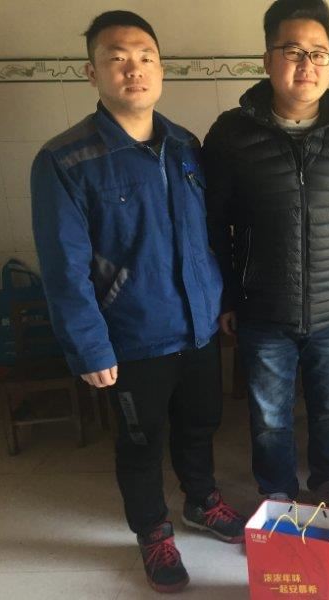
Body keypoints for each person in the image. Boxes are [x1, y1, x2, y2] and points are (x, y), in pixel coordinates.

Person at [30, 11, 245, 593]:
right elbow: (64, 267)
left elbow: (208, 236)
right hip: (130, 335)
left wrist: (221, 300)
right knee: (141, 439)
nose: (134, 69)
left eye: (146, 57)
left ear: (162, 68)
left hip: (197, 326)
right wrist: (89, 346)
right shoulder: (65, 159)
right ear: (92, 72)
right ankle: (153, 530)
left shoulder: (185, 146)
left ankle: (201, 501)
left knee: (200, 424)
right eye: (117, 58)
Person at [203, 0, 329, 509]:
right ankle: (277, 492)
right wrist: (227, 297)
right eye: (293, 51)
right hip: (262, 309)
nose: (307, 64)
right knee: (269, 416)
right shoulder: (231, 134)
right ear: (267, 59)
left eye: (319, 53)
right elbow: (213, 225)